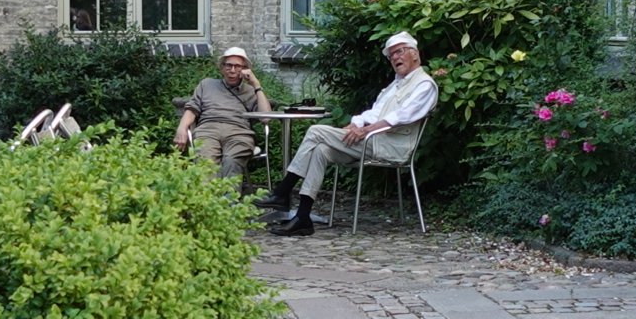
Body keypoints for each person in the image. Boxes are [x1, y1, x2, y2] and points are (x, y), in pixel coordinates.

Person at [256, 31, 438, 237]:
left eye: (399, 52)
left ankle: (282, 192)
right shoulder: (395, 85)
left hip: (393, 147)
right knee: (322, 149)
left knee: (316, 130)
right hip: (372, 142)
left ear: (415, 54)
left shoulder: (425, 85)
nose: (395, 58)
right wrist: (355, 125)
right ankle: (303, 217)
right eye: (391, 55)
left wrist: (365, 130)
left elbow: (401, 117)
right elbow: (374, 112)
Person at [174, 46, 272, 179]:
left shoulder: (250, 91)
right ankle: (208, 199)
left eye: (237, 66)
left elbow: (266, 118)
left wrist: (256, 85)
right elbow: (192, 108)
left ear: (244, 69)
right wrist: (182, 128)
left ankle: (229, 200)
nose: (232, 70)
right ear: (222, 68)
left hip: (238, 133)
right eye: (228, 65)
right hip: (208, 131)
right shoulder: (206, 85)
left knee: (232, 161)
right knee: (205, 162)